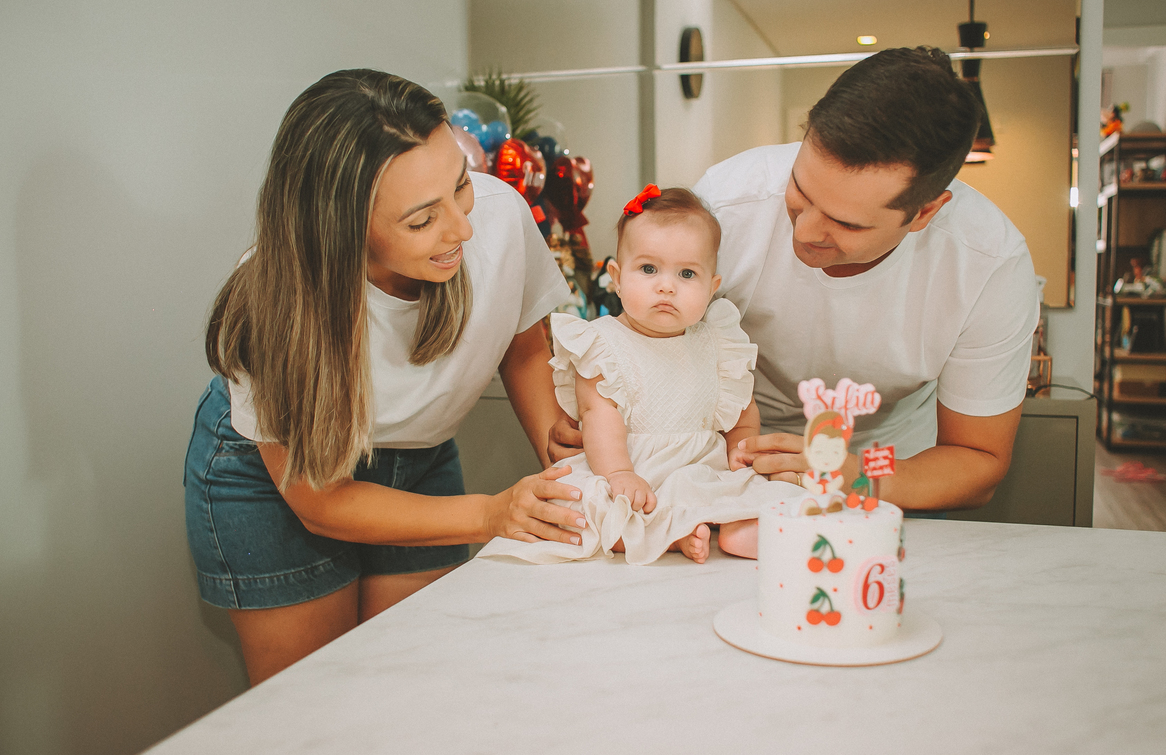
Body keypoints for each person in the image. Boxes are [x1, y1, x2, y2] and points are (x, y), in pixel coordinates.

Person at [184, 69, 588, 685]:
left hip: (420, 456)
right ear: (341, 227)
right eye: (422, 220)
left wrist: (562, 464)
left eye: (461, 185)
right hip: (278, 477)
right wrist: (491, 514)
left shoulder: (501, 216)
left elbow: (522, 344)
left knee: (410, 683)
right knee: (314, 699)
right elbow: (321, 500)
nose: (463, 228)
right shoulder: (275, 299)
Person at [551, 47, 1038, 525]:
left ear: (924, 213)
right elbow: (644, 343)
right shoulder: (729, 202)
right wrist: (605, 421)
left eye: (845, 223)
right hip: (723, 461)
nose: (804, 232)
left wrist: (856, 475)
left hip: (888, 464)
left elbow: (978, 460)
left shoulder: (988, 265)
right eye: (800, 192)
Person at [481, 186, 801, 566]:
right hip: (627, 464)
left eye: (687, 273)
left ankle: (731, 525)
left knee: (755, 488)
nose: (666, 285)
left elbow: (742, 409)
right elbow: (599, 417)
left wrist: (741, 449)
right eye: (648, 269)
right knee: (586, 507)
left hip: (699, 466)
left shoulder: (717, 341)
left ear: (711, 287)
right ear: (616, 278)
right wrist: (619, 472)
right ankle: (671, 535)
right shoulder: (603, 344)